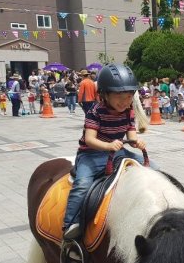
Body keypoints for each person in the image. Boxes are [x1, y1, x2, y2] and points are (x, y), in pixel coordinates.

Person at [62, 64, 148, 251]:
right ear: (105, 94)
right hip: (91, 155)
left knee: (151, 169)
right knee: (82, 185)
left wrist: (136, 142)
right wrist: (108, 145)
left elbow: (131, 135)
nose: (124, 101)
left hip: (117, 152)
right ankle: (70, 224)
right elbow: (90, 139)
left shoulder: (128, 111)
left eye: (128, 96)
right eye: (119, 95)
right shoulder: (95, 112)